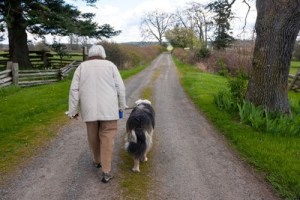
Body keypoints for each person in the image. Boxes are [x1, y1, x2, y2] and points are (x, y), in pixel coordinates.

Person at [67, 45, 126, 183]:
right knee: (107, 138)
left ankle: (97, 161)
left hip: (89, 109)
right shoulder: (110, 65)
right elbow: (120, 88)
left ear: (90, 54)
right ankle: (106, 171)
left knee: (92, 136)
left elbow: (74, 90)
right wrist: (121, 106)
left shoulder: (82, 67)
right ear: (103, 54)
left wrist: (73, 111)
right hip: (109, 110)